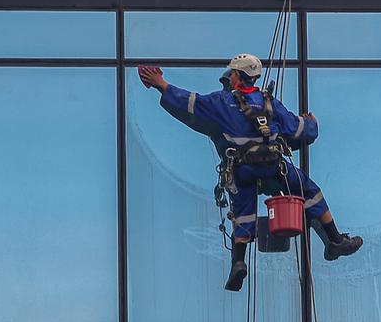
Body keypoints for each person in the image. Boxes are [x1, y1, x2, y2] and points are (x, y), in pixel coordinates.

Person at [138, 54, 362, 292]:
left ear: (236, 76)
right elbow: (299, 129)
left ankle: (238, 262)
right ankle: (335, 240)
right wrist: (312, 123)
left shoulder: (223, 102)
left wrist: (161, 84)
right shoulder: (270, 103)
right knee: (309, 191)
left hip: (242, 169)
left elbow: (192, 102)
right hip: (274, 168)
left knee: (244, 211)